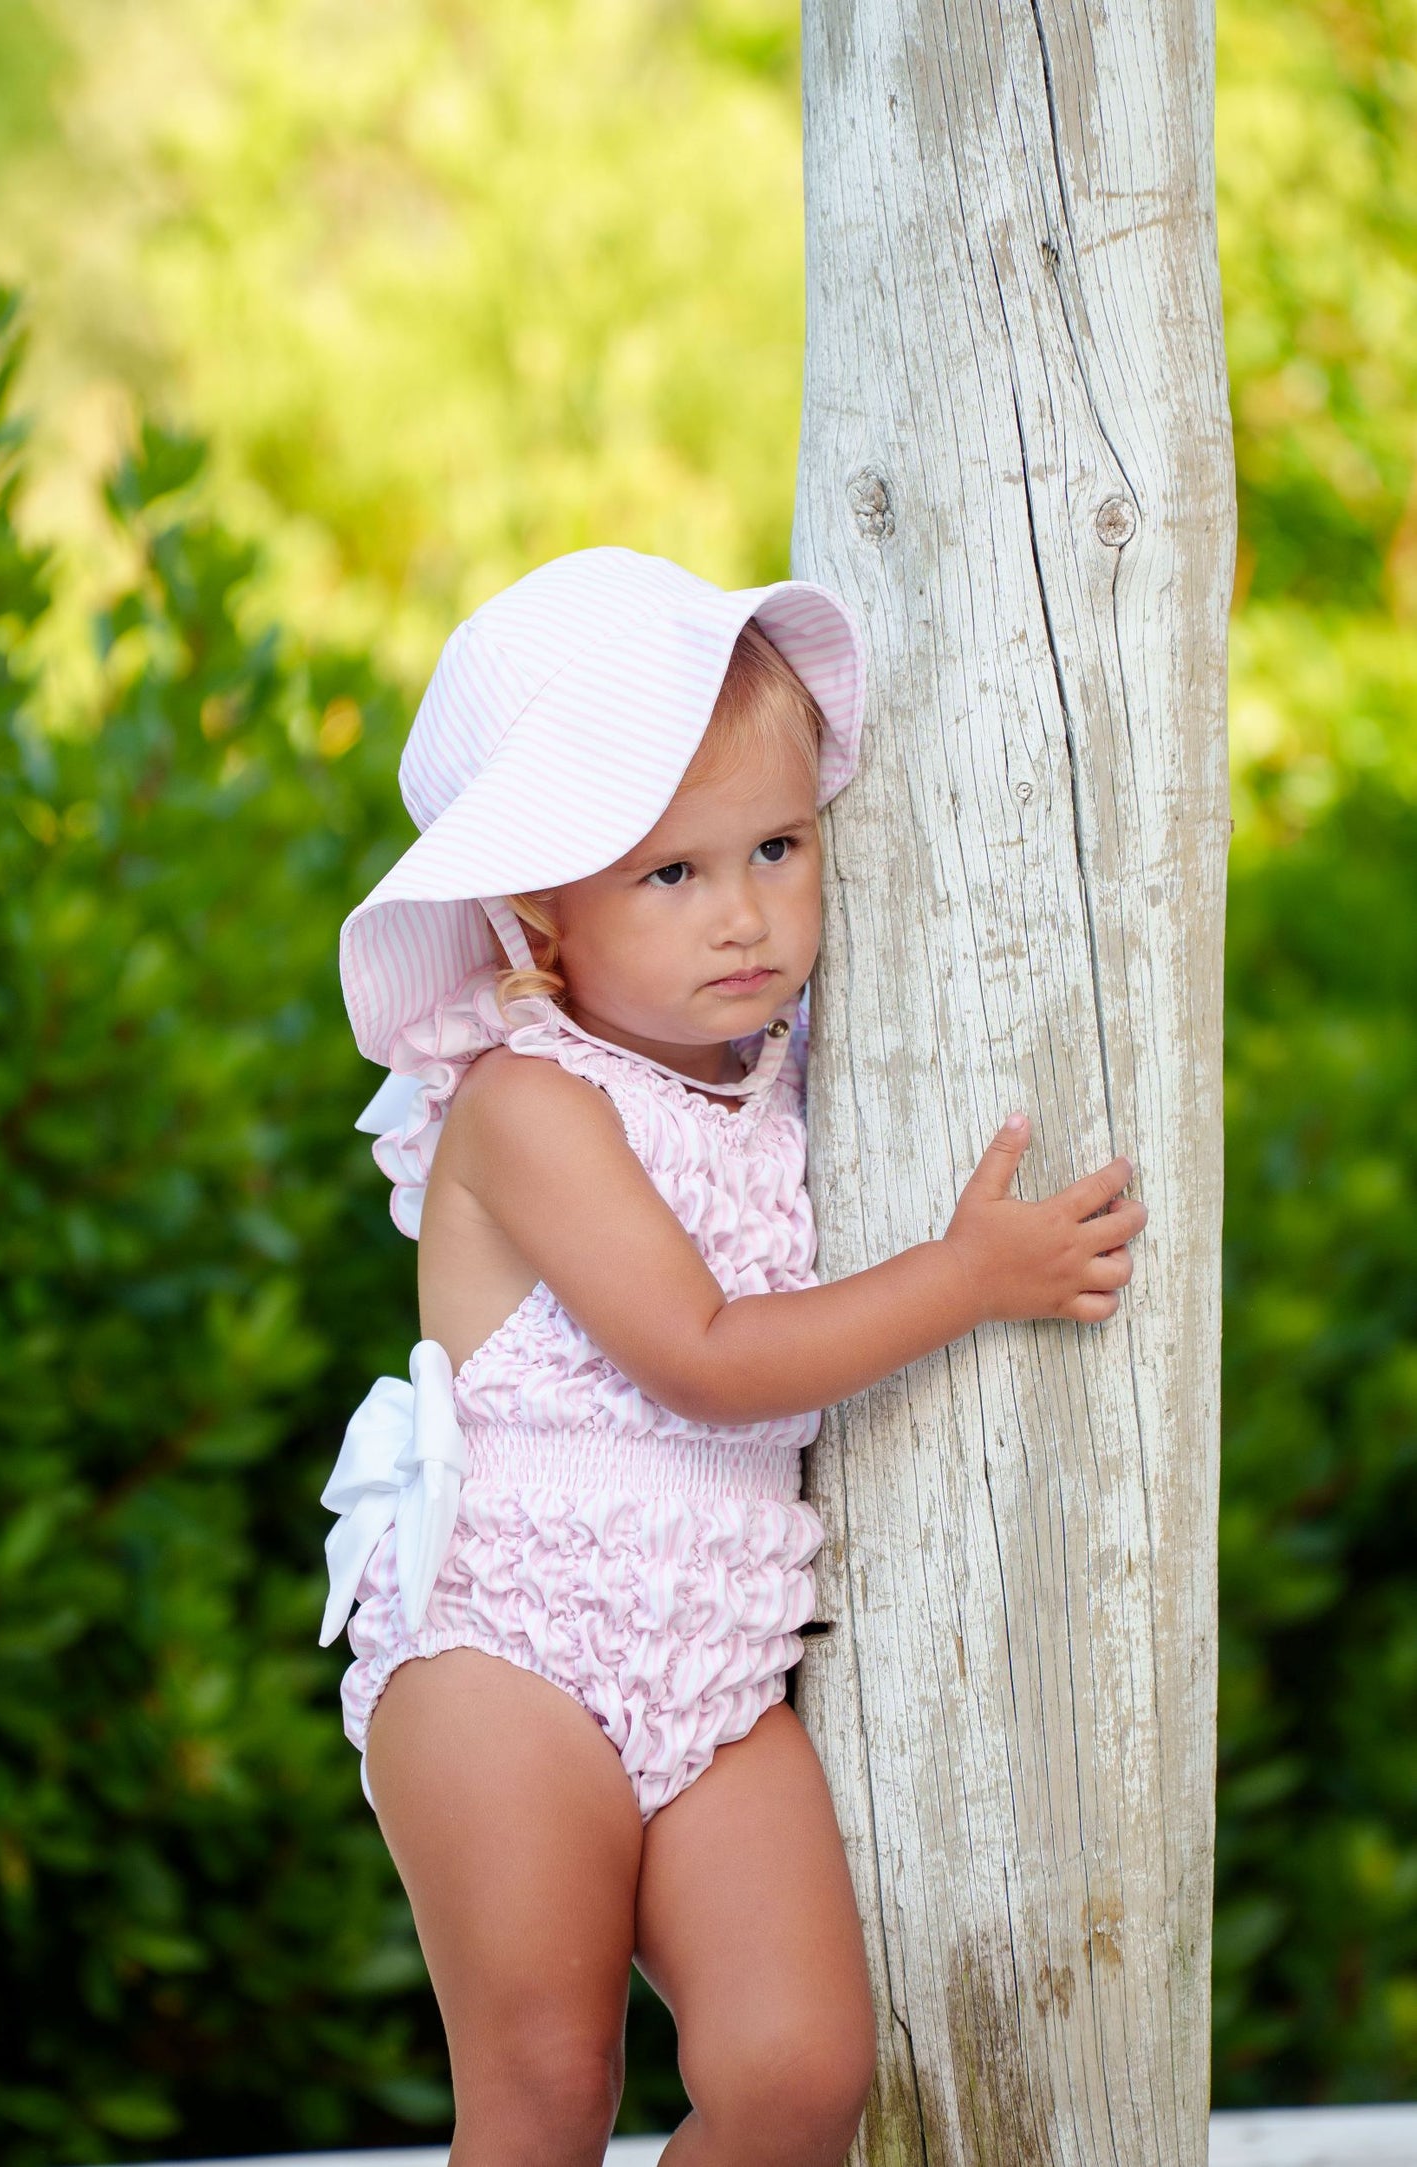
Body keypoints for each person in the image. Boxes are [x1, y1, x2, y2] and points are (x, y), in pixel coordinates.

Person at [319, 547, 1145, 2167]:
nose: (746, 915)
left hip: (714, 1662)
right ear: (537, 906)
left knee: (797, 2073)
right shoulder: (527, 1106)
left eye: (776, 845)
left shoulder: (786, 1069)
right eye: (671, 876)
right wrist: (968, 1274)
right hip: (511, 1650)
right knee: (547, 2091)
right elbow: (700, 1356)